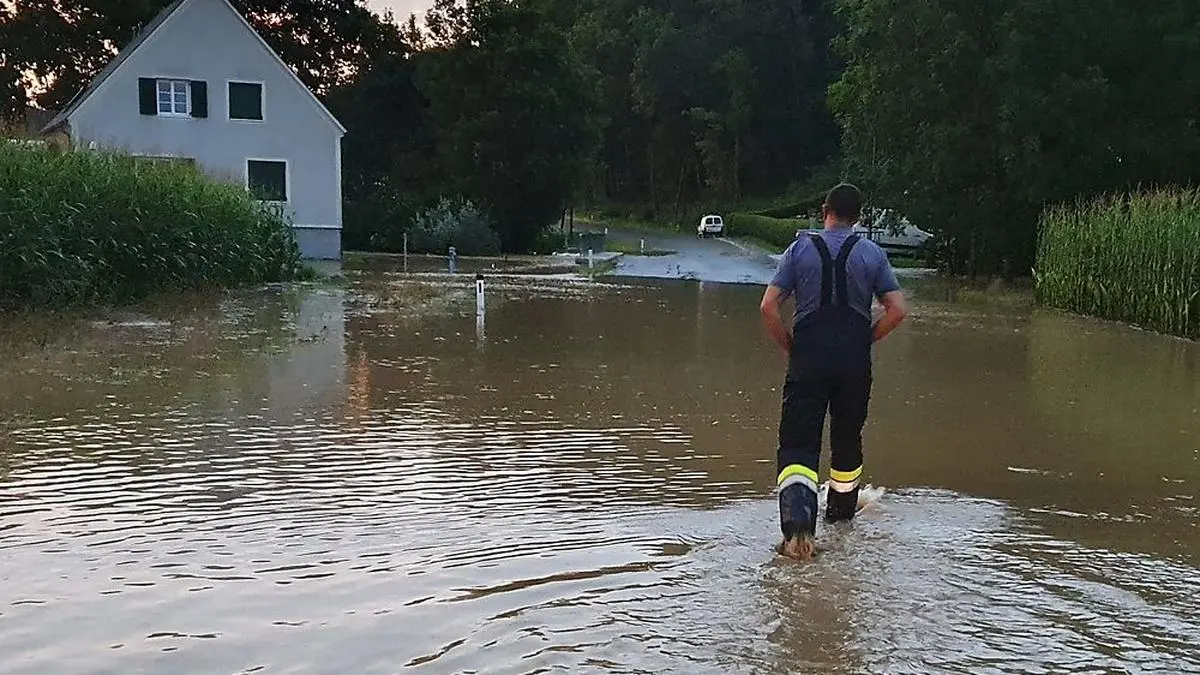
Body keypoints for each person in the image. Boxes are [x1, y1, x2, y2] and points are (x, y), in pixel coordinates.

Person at [759, 183, 908, 559]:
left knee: (797, 444)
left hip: (808, 356)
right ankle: (840, 524)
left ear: (825, 210)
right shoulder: (872, 253)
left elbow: (768, 307)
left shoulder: (799, 249)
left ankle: (797, 535)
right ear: (858, 217)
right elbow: (897, 310)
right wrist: (867, 339)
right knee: (847, 441)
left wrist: (791, 346)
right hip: (853, 360)